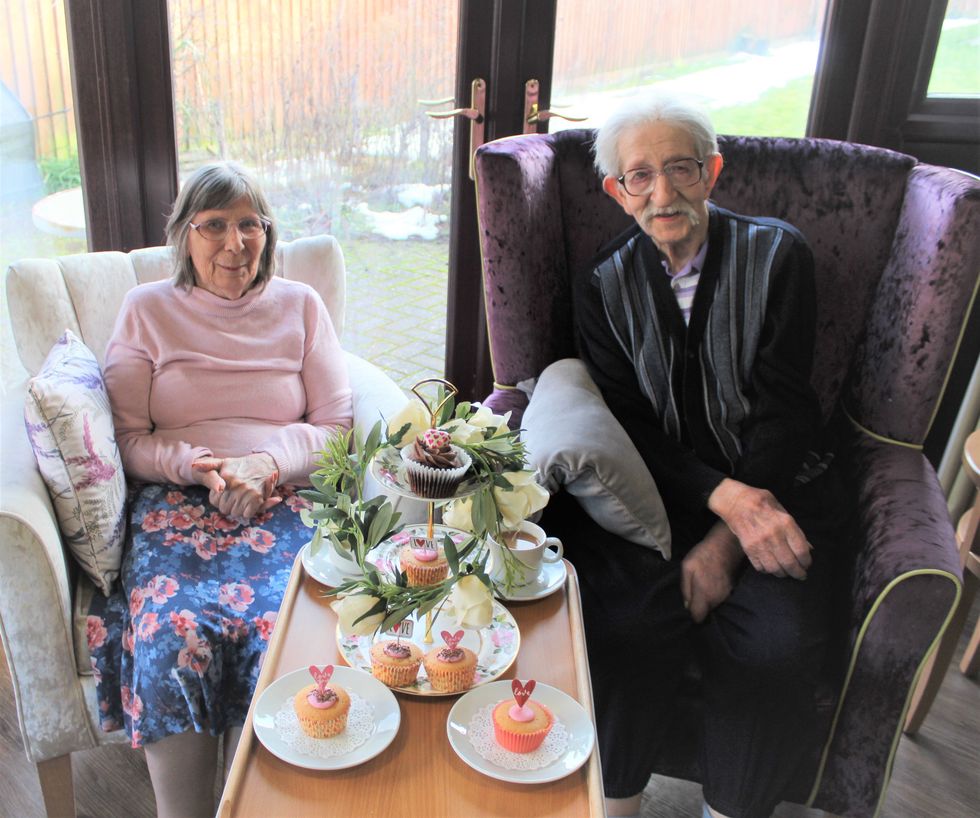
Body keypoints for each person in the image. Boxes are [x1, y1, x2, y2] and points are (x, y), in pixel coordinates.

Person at [550, 93, 849, 818]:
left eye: (680, 168)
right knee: (619, 624)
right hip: (651, 495)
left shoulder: (780, 255)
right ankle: (613, 800)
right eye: (640, 176)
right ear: (617, 192)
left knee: (774, 643)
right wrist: (720, 503)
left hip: (774, 485)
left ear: (712, 172)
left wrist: (728, 540)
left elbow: (786, 414)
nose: (663, 192)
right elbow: (628, 424)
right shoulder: (602, 282)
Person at [87, 161, 353, 818]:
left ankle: (255, 807)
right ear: (184, 234)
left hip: (285, 494)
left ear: (268, 232)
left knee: (284, 635)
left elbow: (338, 428)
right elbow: (126, 438)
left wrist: (266, 463)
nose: (235, 244)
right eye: (214, 225)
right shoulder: (145, 311)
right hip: (177, 500)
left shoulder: (301, 307)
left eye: (249, 225)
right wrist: (196, 467)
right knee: (173, 635)